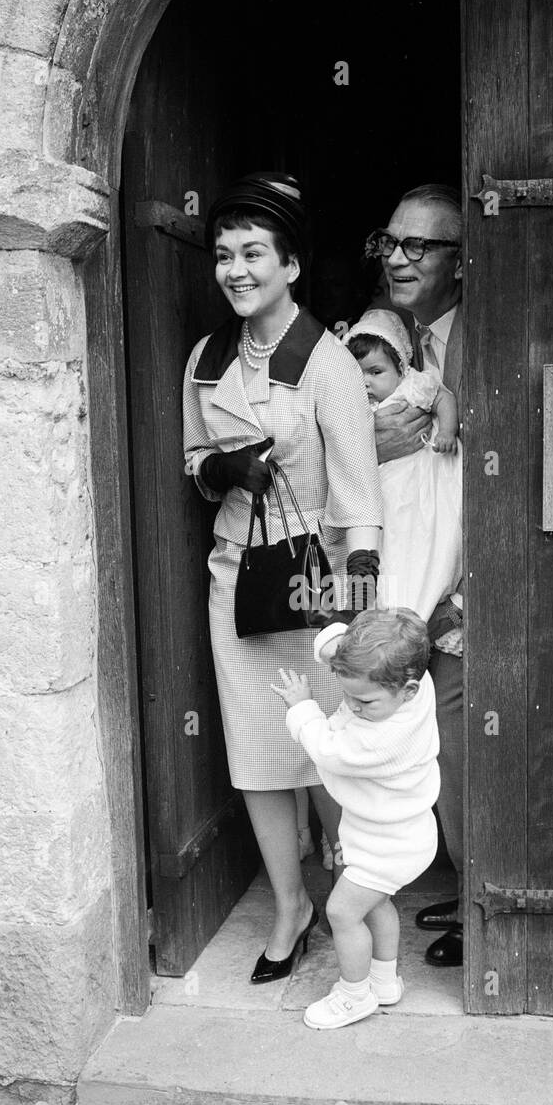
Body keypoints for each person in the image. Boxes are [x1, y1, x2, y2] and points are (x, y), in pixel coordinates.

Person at [183, 172, 383, 984]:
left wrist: (357, 608)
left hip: (316, 578)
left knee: (332, 753)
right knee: (262, 755)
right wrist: (222, 469)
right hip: (238, 577)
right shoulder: (206, 359)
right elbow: (193, 466)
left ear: (291, 265)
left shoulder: (327, 361)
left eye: (253, 253)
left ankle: (355, 899)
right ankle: (290, 906)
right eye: (225, 254)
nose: (236, 269)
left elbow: (361, 495)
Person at [364, 185, 465, 967]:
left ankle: (485, 900)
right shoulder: (377, 342)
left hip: (472, 568)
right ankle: (444, 886)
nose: (397, 257)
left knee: (466, 734)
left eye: (419, 246)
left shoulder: (483, 336)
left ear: (461, 263)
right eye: (390, 242)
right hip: (407, 564)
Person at [272, 610, 440, 1028]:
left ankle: (353, 995)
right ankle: (383, 982)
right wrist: (335, 648)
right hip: (393, 833)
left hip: (391, 843)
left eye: (364, 701)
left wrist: (303, 707)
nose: (352, 706)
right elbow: (338, 644)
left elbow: (328, 750)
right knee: (376, 904)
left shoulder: (381, 737)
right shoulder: (411, 682)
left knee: (343, 912)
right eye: (346, 695)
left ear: (408, 688)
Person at [342, 307, 461, 623]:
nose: (365, 381)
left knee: (425, 536)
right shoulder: (351, 403)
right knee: (387, 545)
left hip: (419, 481)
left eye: (376, 372)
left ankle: (426, 602)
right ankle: (388, 609)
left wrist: (448, 431)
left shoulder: (412, 386)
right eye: (357, 373)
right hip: (384, 491)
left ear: (401, 368)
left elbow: (443, 398)